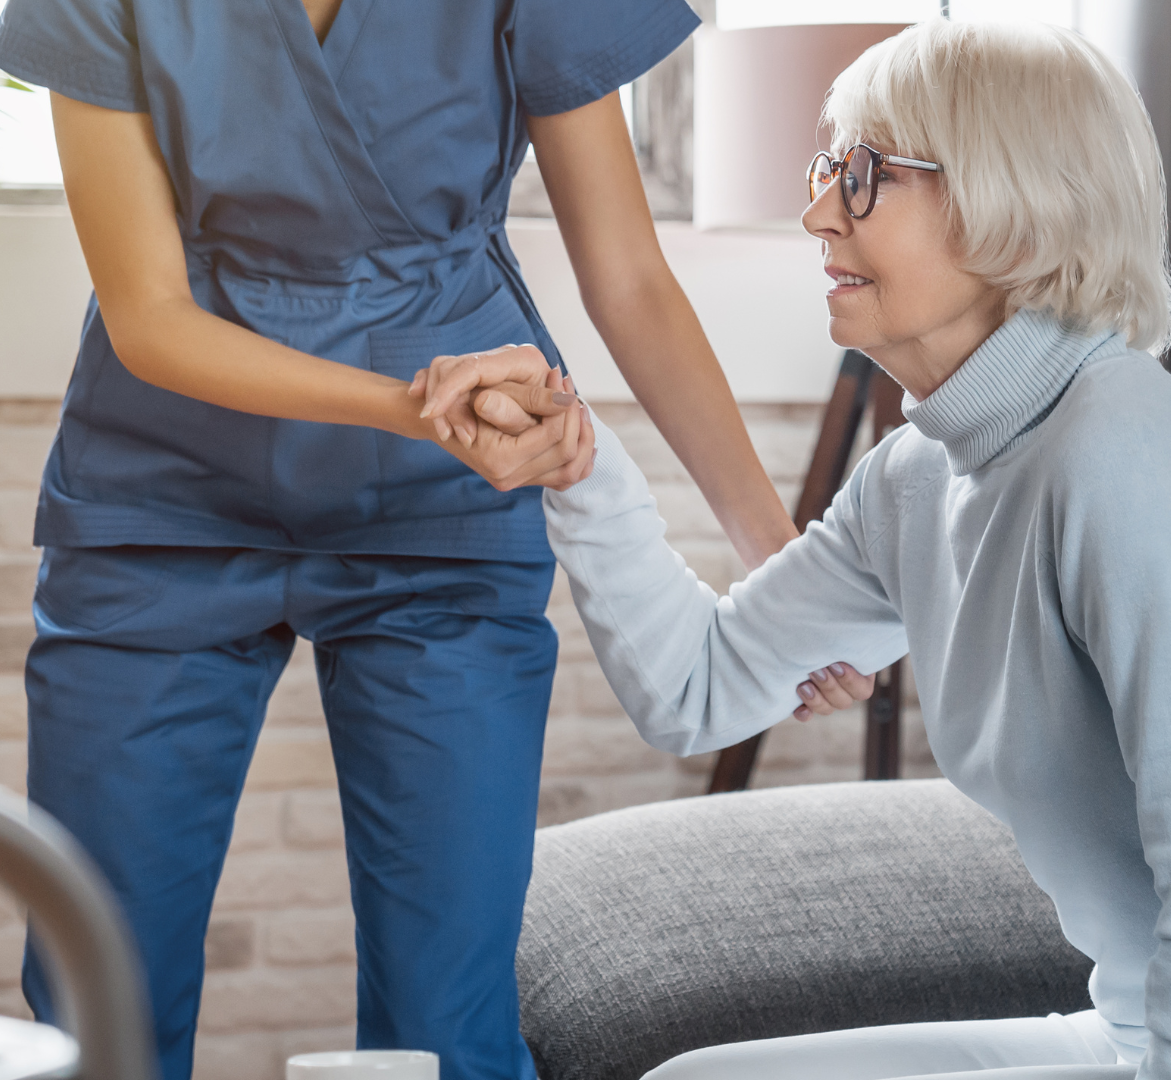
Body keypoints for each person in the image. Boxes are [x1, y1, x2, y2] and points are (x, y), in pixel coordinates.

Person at [428, 20, 1171, 1080]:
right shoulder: (919, 476)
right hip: (1145, 1031)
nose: (814, 211)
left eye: (862, 175)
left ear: (1018, 210)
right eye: (824, 169)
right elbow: (698, 688)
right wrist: (578, 466)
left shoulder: (1125, 462)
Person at [0, 2, 859, 1077]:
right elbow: (147, 315)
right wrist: (421, 410)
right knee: (98, 995)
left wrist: (776, 559)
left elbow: (629, 278)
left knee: (446, 1022)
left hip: (443, 503)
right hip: (168, 489)